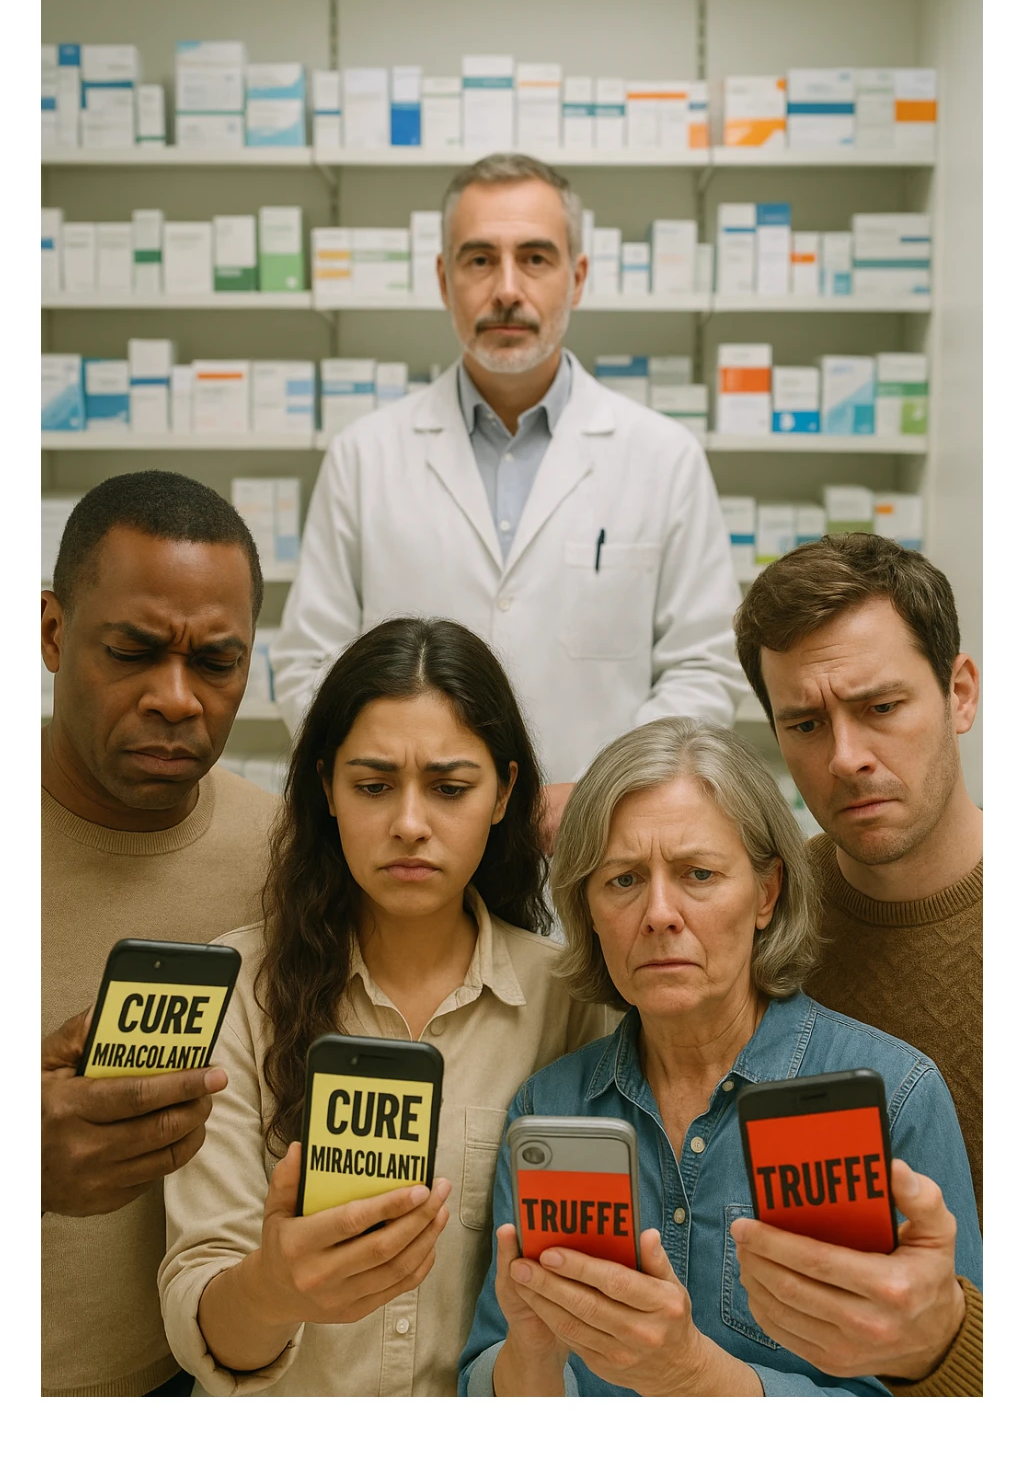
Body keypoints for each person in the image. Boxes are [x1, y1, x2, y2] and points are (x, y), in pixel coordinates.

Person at [458, 717, 980, 1398]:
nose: (659, 913)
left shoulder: (895, 1094)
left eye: (697, 873)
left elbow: (956, 1405)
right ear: (585, 908)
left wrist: (695, 1378)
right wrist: (529, 1357)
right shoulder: (550, 1108)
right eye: (622, 881)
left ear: (766, 894)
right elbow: (484, 1377)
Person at [158, 617, 614, 1396]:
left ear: (504, 793)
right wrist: (274, 1288)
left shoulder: (574, 1002)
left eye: (449, 788)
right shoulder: (237, 987)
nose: (409, 823)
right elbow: (202, 1311)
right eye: (373, 786)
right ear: (327, 789)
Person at [270, 152, 746, 847]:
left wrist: (600, 794)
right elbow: (308, 664)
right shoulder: (365, 456)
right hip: (410, 844)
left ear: (576, 278)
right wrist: (396, 786)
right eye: (479, 260)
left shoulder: (662, 457)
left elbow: (704, 667)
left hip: (595, 850)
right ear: (443, 279)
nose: (507, 289)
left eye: (535, 258)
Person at [41, 470, 279, 1398]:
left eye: (216, 663)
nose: (177, 698)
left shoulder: (291, 854)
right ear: (53, 632)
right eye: (135, 651)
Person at [732, 533, 982, 1395]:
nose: (844, 758)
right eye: (804, 723)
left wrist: (951, 1342)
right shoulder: (744, 919)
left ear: (959, 693)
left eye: (880, 707)